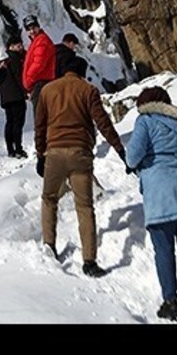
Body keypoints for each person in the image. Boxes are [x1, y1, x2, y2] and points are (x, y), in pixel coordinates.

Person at [124, 85, 177, 321]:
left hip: (160, 191)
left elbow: (132, 157)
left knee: (164, 249)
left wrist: (144, 166)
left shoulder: (146, 120)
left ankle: (171, 303)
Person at [34, 56, 126, 278]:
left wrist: (40, 155)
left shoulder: (48, 90)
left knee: (49, 199)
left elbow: (39, 126)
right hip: (80, 153)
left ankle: (50, 247)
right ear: (81, 72)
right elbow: (103, 122)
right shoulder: (88, 90)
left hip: (54, 153)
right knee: (85, 207)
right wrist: (120, 149)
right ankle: (89, 261)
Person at [0, 39, 29, 158]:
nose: (20, 48)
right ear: (11, 46)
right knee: (18, 123)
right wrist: (25, 91)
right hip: (16, 95)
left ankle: (10, 149)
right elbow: (18, 76)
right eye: (18, 45)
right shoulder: (15, 58)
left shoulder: (3, 60)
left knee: (9, 122)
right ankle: (18, 148)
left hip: (6, 96)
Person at [21, 15, 56, 115]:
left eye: (33, 27)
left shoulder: (41, 41)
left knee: (40, 118)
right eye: (29, 29)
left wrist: (28, 80)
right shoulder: (37, 41)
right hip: (40, 83)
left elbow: (38, 64)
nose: (32, 31)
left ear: (38, 26)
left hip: (40, 83)